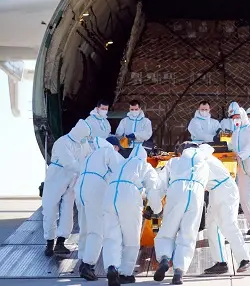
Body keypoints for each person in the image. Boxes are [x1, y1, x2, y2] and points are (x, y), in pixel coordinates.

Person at [102, 145, 163, 286]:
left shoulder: (120, 164)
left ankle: (111, 267)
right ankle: (126, 274)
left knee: (111, 237)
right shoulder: (144, 165)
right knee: (131, 239)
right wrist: (157, 208)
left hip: (110, 196)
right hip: (129, 197)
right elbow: (153, 188)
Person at [153, 141, 213, 284]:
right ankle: (179, 272)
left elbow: (160, 184)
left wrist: (153, 205)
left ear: (181, 151)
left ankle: (165, 259)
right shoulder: (204, 162)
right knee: (188, 234)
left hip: (176, 191)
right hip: (196, 195)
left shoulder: (174, 162)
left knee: (167, 230)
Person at [74, 136, 125, 281]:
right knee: (97, 230)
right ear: (114, 146)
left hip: (80, 190)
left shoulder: (91, 154)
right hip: (94, 190)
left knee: (85, 227)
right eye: (118, 148)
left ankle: (82, 259)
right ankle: (87, 265)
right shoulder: (109, 152)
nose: (117, 150)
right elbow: (119, 172)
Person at [199, 144, 250, 274]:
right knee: (213, 228)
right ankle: (221, 262)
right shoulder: (205, 157)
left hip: (225, 191)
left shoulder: (201, 161)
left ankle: (245, 259)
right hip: (216, 192)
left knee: (228, 225)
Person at [42, 119, 92, 257]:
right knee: (50, 209)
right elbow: (69, 163)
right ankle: (49, 242)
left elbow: (89, 156)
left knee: (67, 212)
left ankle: (61, 242)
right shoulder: (62, 142)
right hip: (57, 177)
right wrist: (86, 171)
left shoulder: (83, 143)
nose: (86, 139)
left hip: (73, 179)